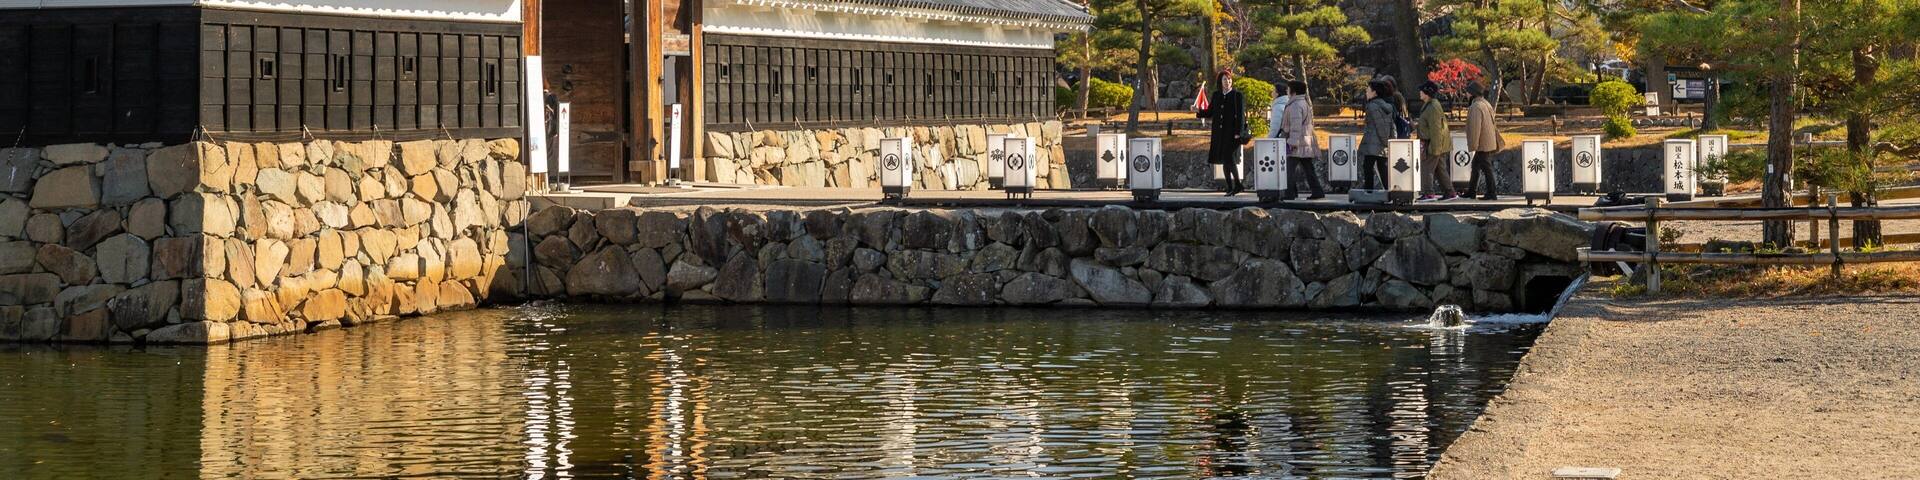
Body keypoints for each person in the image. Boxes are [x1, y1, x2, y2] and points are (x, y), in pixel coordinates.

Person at [1196, 69, 1250, 196]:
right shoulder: (1216, 95)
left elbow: (1241, 116)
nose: (1228, 82)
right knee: (1224, 160)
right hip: (1220, 133)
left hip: (1233, 133)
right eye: (1225, 79)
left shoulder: (1237, 95)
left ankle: (1237, 184)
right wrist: (1198, 110)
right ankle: (1230, 186)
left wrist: (1239, 132)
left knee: (1230, 159)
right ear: (1220, 81)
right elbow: (1210, 112)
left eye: (1229, 79)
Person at [1278, 81, 1325, 200]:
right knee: (1308, 168)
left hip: (1297, 142)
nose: (1287, 91)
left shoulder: (1295, 105)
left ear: (1293, 91)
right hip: (1306, 140)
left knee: (1289, 168)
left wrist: (1292, 142)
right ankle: (1317, 190)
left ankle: (1289, 193)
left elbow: (1295, 125)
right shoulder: (1303, 102)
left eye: (1288, 89)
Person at [1416, 81, 1457, 200]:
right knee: (1440, 169)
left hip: (1434, 143)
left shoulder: (1432, 107)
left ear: (1427, 93)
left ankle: (1428, 192)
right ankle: (1450, 192)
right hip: (1437, 142)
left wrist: (1435, 148)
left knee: (1426, 168)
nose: (1420, 93)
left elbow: (1436, 129)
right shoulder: (1431, 105)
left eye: (1422, 91)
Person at [1357, 78, 1399, 191]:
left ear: (1374, 92)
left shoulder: (1372, 106)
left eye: (1368, 90)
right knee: (1382, 168)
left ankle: (1369, 192)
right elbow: (1391, 126)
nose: (1366, 92)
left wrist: (1385, 141)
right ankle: (1389, 191)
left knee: (1368, 167)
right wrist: (1389, 141)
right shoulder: (1386, 105)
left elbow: (1380, 125)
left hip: (1373, 143)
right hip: (1381, 143)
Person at [1463, 82, 1502, 200]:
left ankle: (1491, 192)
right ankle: (1471, 191)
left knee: (1486, 167)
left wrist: (1473, 144)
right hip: (1488, 140)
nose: (1466, 94)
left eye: (1467, 92)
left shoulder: (1476, 106)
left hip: (1482, 142)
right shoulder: (1485, 103)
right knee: (1476, 166)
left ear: (1472, 93)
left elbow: (1475, 127)